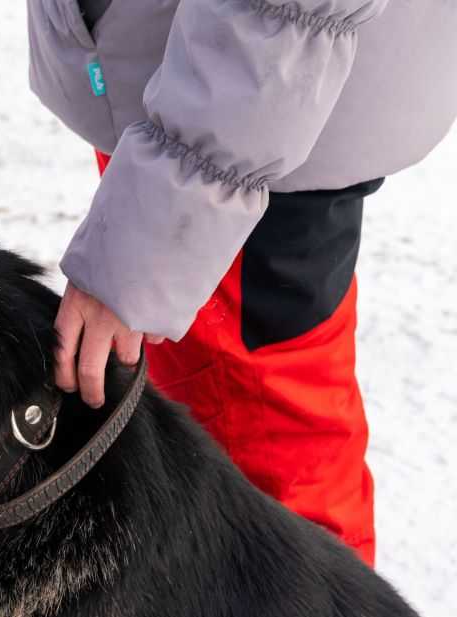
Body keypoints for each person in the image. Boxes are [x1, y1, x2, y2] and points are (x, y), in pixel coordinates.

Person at [28, 0, 457, 566]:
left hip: (237, 138)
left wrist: (143, 245)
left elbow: (284, 16)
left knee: (271, 506)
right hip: (194, 109)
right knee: (218, 470)